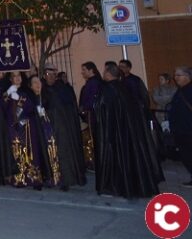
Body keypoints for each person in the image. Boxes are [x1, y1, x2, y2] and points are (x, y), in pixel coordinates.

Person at [93, 64, 162, 198]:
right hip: (129, 132)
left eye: (104, 71)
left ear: (108, 74)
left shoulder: (108, 90)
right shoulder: (124, 89)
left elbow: (102, 111)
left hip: (114, 133)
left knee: (118, 158)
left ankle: (115, 186)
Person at [42, 66, 86, 188]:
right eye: (48, 74)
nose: (51, 77)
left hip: (63, 126)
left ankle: (68, 178)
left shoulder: (61, 88)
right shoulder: (43, 90)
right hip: (50, 127)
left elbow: (69, 105)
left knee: (66, 151)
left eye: (53, 74)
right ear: (44, 76)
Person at [167, 66, 192, 187]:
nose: (175, 78)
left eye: (178, 75)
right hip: (181, 129)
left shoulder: (189, 90)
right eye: (175, 75)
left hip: (188, 129)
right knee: (185, 154)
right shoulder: (180, 90)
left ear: (187, 77)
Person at [78, 61, 103, 169]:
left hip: (92, 115)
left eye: (84, 70)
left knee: (93, 138)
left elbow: (92, 100)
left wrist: (84, 109)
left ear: (91, 70)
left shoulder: (94, 83)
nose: (82, 72)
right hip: (91, 114)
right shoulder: (93, 82)